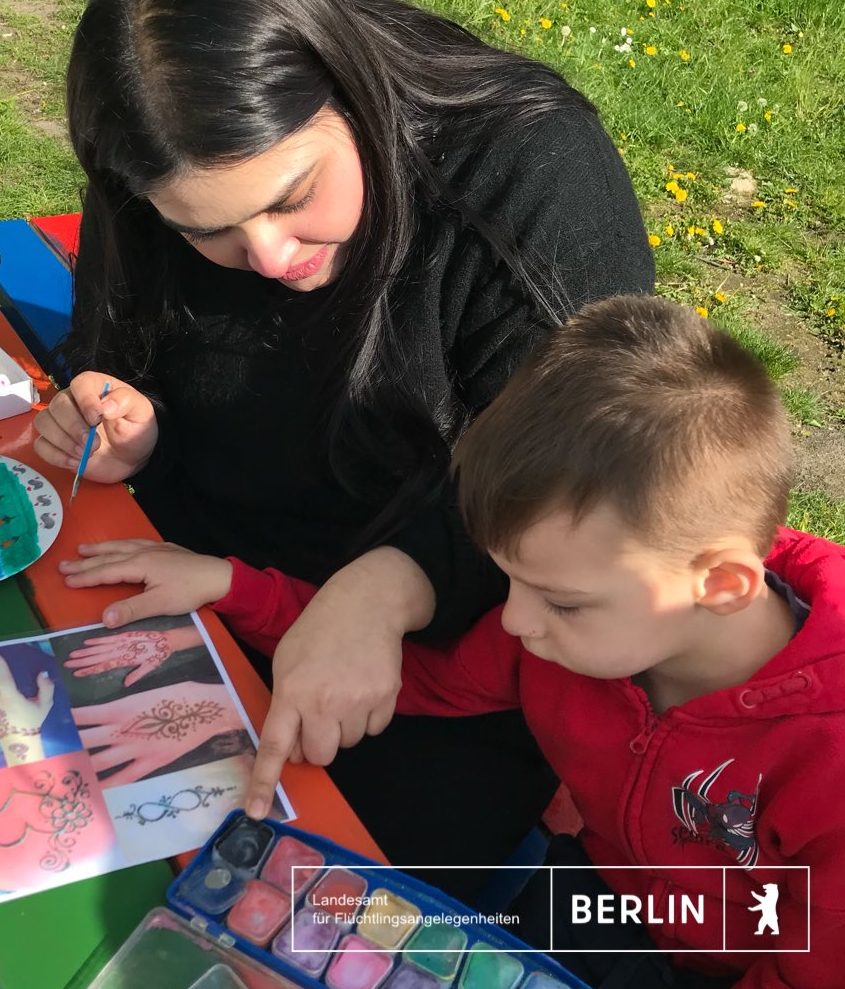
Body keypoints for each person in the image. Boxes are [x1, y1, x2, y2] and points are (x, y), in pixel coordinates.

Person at [33, 0, 653, 882]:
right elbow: (110, 345)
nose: (273, 258)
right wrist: (122, 412)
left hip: (447, 660)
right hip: (198, 579)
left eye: (292, 196)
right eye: (210, 232)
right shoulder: (155, 171)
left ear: (348, 89)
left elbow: (580, 454)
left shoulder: (526, 166)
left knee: (292, 901)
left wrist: (388, 587)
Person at [131, 296, 844, 987]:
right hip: (589, 899)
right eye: (510, 583)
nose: (514, 622)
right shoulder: (573, 630)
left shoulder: (829, 764)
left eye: (561, 601)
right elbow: (412, 673)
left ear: (719, 585)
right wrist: (235, 587)